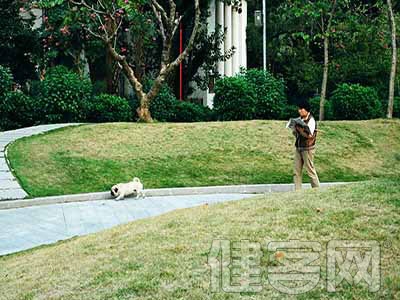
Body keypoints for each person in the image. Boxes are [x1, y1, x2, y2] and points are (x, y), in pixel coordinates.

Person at [292, 102, 320, 190]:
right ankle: (297, 191)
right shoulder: (299, 120)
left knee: (310, 171)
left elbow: (309, 136)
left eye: (301, 109)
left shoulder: (311, 120)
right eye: (299, 109)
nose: (299, 111)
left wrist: (300, 130)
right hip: (299, 148)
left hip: (308, 148)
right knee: (296, 171)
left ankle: (316, 189)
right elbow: (296, 135)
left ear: (306, 110)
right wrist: (295, 130)